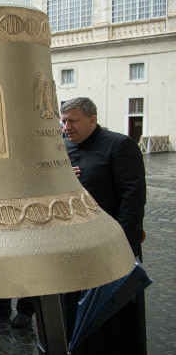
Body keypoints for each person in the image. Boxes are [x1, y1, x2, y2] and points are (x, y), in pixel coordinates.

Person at [61, 97, 147, 355]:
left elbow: (132, 201)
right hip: (74, 245)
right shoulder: (61, 148)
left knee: (113, 320)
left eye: (72, 121)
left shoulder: (119, 145)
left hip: (112, 247)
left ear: (92, 120)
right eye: (63, 121)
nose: (66, 127)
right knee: (75, 315)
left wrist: (118, 246)